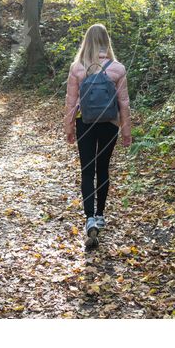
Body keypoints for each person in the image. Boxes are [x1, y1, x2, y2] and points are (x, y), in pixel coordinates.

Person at [64, 23, 131, 248]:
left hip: (86, 123)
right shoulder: (117, 68)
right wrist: (126, 132)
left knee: (87, 170)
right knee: (102, 169)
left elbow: (71, 102)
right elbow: (124, 102)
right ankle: (100, 215)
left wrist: (69, 127)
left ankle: (89, 217)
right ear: (106, 41)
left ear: (87, 41)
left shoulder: (78, 67)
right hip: (109, 124)